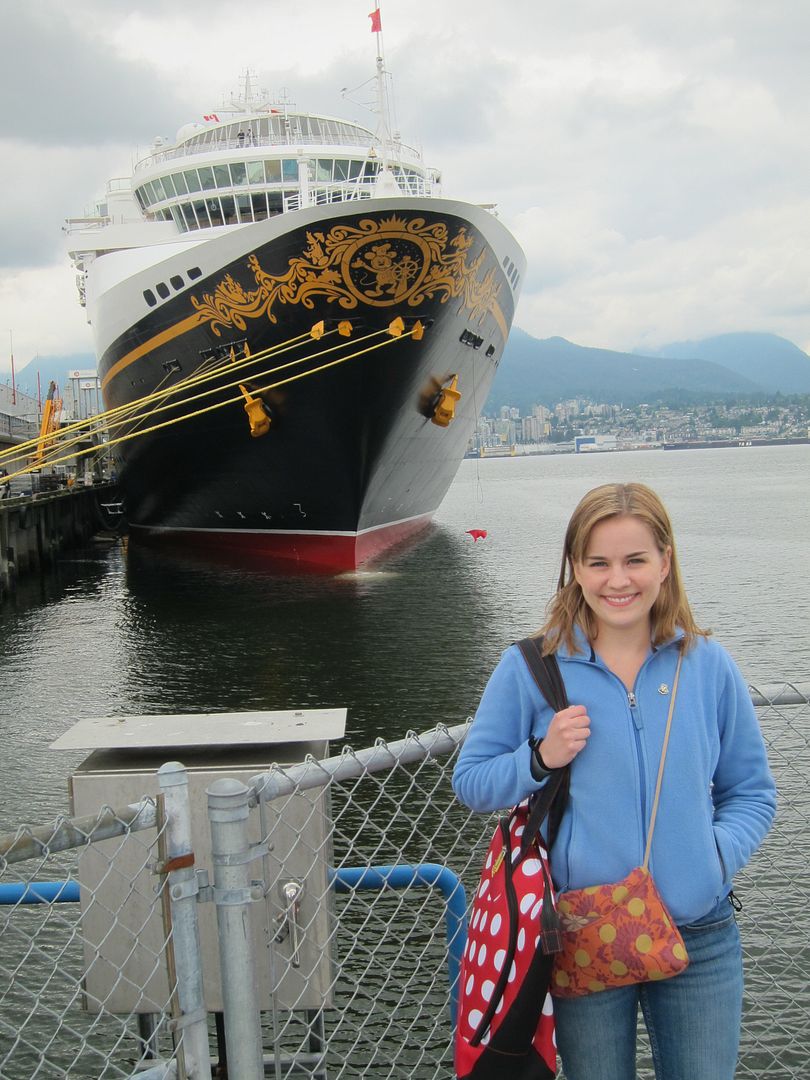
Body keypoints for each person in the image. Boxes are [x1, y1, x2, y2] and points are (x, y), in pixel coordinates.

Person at [452, 482, 776, 1080]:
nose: (617, 580)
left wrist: (714, 857)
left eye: (635, 560)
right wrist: (539, 757)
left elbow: (751, 793)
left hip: (699, 934)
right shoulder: (530, 667)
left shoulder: (707, 666)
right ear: (574, 568)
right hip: (581, 931)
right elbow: (471, 782)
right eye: (597, 563)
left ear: (665, 562)